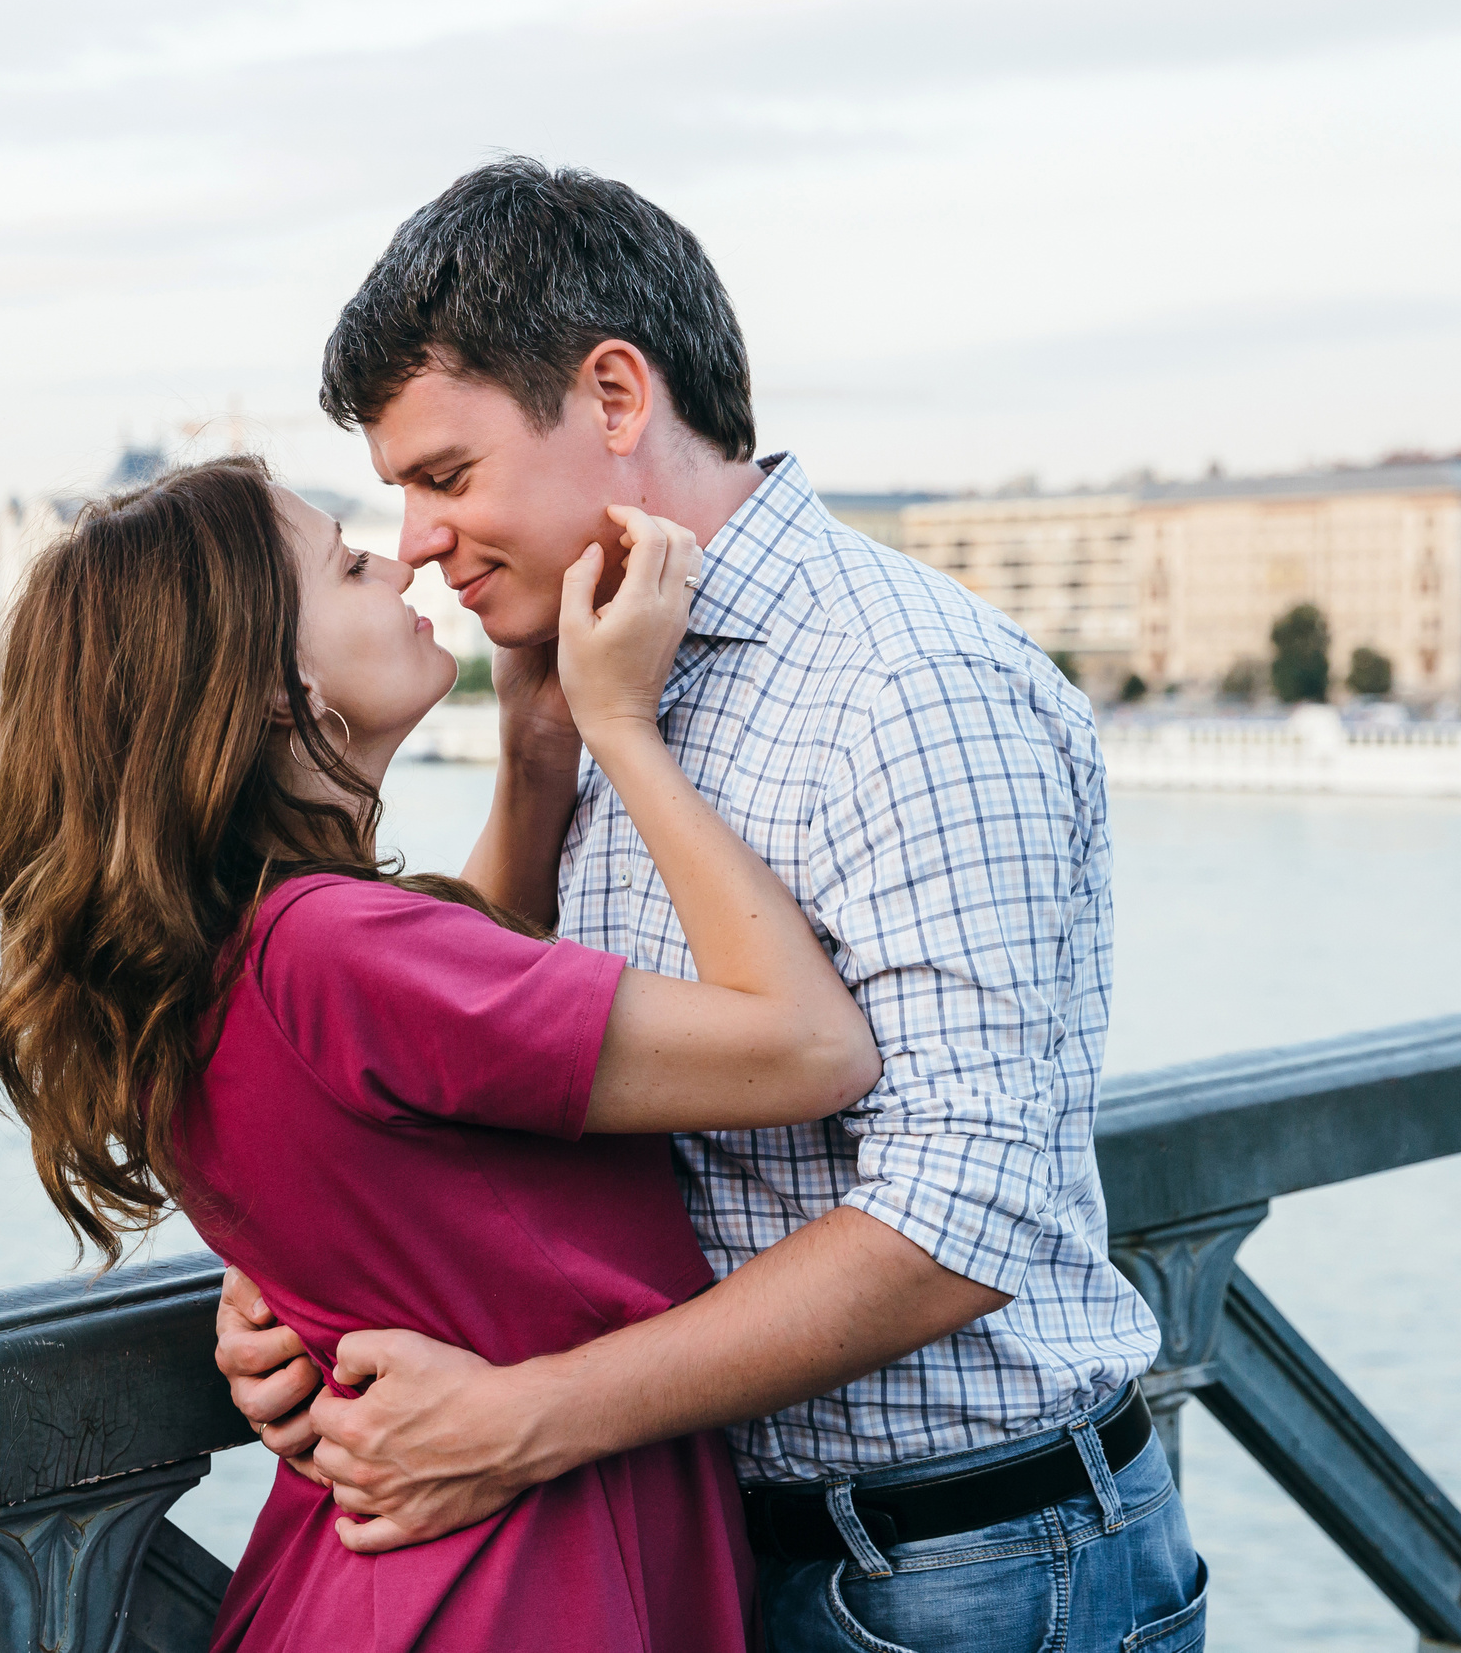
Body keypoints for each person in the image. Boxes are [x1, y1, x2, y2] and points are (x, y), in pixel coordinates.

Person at [214, 159, 1206, 1651]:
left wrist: (525, 1417)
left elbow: (965, 1210)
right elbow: (489, 1056)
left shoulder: (908, 688)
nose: (413, 538)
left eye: (445, 474)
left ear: (615, 397)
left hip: (967, 1568)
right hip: (716, 1552)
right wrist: (302, 1269)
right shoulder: (584, 670)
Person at [0, 455, 887, 1648]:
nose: (400, 563)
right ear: (275, 687)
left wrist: (538, 748)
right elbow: (811, 1048)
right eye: (347, 566)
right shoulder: (334, 951)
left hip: (389, 1574)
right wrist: (621, 727)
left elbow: (449, 1035)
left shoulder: (225, 955)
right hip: (519, 1584)